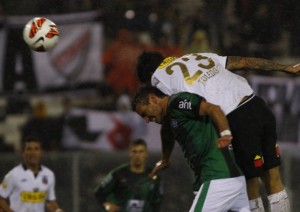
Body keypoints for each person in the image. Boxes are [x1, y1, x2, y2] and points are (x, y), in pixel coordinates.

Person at [135, 51, 300, 211]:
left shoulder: (159, 79)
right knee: (274, 180)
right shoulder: (198, 56)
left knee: (250, 187)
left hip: (236, 117)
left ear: (149, 75)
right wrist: (286, 68)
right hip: (257, 105)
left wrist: (165, 158)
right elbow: (244, 62)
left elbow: (167, 121)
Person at [132, 86, 250, 211]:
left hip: (218, 177)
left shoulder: (177, 102)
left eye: (144, 113)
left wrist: (225, 134)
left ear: (153, 99)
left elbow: (212, 108)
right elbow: (167, 131)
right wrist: (165, 159)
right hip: (229, 179)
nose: (146, 120)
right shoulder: (170, 117)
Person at [94, 138, 162, 212]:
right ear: (130, 153)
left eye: (141, 152)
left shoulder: (153, 176)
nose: (137, 155)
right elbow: (99, 193)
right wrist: (107, 205)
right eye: (134, 152)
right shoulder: (119, 173)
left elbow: (156, 202)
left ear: (146, 153)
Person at [0, 137, 63, 212]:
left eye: (36, 149)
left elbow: (50, 201)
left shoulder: (49, 174)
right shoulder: (13, 175)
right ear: (22, 153)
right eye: (29, 149)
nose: (33, 152)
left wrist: (58, 210)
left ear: (41, 153)